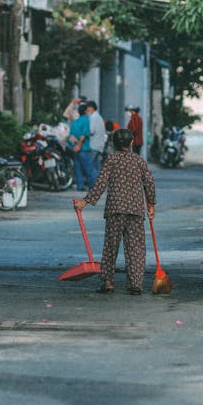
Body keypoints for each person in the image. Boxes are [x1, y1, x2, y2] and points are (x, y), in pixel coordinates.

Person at [74, 127, 156, 295]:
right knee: (136, 249)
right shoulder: (139, 161)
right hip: (135, 211)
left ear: (113, 144)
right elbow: (149, 183)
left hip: (115, 210)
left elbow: (101, 182)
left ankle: (108, 283)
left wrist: (86, 201)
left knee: (110, 248)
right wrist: (151, 205)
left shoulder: (112, 160)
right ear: (132, 142)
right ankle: (135, 285)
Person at [68, 102, 96, 191]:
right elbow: (84, 135)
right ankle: (92, 187)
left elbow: (72, 135)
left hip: (76, 149)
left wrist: (76, 145)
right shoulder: (86, 120)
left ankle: (80, 186)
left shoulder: (75, 121)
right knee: (88, 169)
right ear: (85, 111)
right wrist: (79, 145)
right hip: (84, 149)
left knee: (78, 169)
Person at [86, 100, 107, 177]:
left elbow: (91, 131)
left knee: (90, 165)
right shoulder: (99, 117)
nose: (87, 110)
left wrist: (84, 133)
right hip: (99, 145)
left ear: (91, 108)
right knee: (97, 166)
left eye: (87, 107)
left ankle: (93, 183)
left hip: (94, 145)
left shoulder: (93, 117)